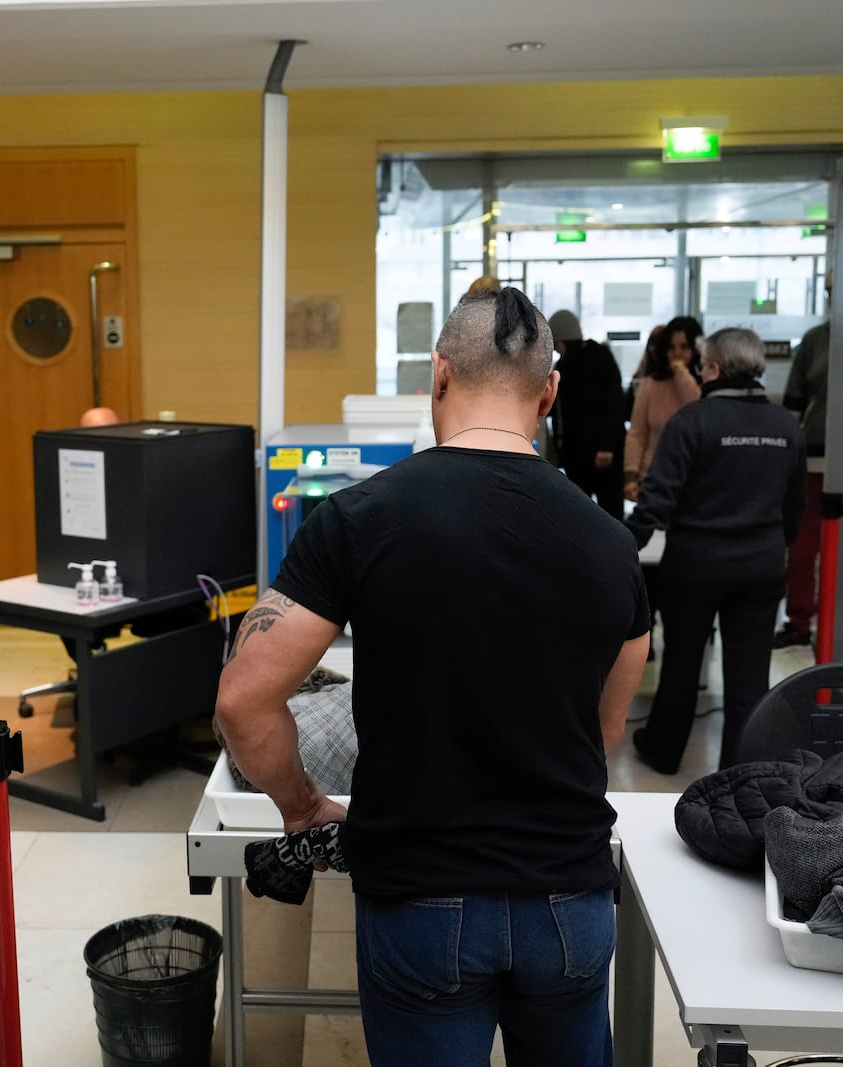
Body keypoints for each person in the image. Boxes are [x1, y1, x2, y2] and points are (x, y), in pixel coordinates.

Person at [216, 285, 650, 1066]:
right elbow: (602, 732)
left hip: (421, 899)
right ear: (550, 392)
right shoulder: (610, 543)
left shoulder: (360, 518)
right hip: (569, 901)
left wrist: (304, 805)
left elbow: (244, 699)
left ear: (438, 375)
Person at [627, 328, 807, 774]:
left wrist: (624, 544)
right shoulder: (786, 425)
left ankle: (663, 751)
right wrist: (775, 543)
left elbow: (658, 500)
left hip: (695, 565)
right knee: (750, 676)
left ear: (714, 369)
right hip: (761, 566)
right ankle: (739, 768)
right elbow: (795, 504)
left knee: (682, 665)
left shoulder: (693, 422)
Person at [774, 310, 831, 649]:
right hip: (812, 460)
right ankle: (799, 621)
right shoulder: (815, 340)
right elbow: (795, 401)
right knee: (802, 548)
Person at [546, 308, 627, 518]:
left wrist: (607, 447)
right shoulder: (567, 364)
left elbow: (612, 404)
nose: (554, 348)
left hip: (596, 454)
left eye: (555, 342)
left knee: (600, 510)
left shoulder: (595, 360)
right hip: (579, 454)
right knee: (592, 513)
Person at [622, 314, 702, 503]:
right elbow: (637, 433)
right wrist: (631, 477)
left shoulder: (705, 383)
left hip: (695, 478)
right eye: (671, 348)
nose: (677, 354)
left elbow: (696, 406)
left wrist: (681, 373)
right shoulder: (651, 384)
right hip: (654, 476)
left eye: (684, 347)